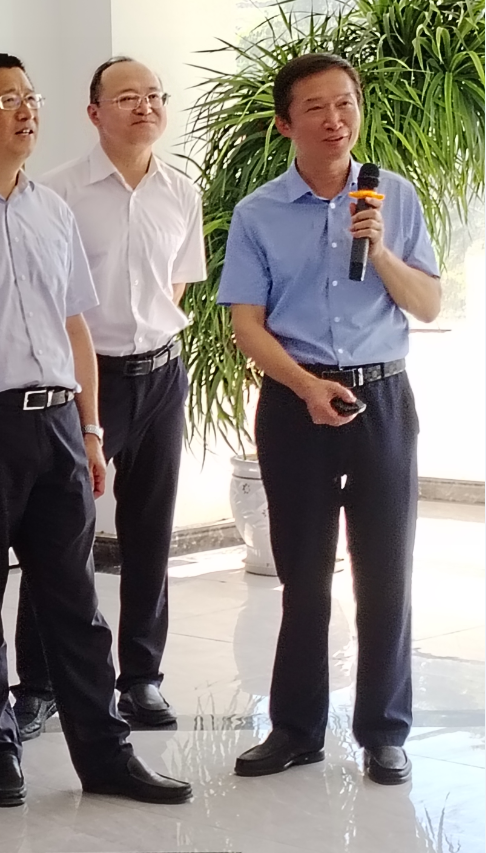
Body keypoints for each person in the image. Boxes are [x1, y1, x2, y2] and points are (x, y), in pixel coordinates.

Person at [0, 53, 192, 808]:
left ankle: (105, 755)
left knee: (75, 605)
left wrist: (90, 430)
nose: (27, 110)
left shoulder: (50, 209)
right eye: (7, 100)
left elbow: (74, 326)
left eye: (31, 96)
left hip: (56, 423)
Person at [219, 53, 441, 785]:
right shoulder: (257, 213)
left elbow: (427, 303)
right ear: (285, 123)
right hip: (294, 402)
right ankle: (295, 728)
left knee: (385, 571)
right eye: (314, 107)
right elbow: (246, 325)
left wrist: (378, 249)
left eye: (345, 103)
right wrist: (306, 385)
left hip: (382, 398)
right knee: (303, 574)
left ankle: (384, 730)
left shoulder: (393, 196)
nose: (334, 119)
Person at [11, 57, 206, 737]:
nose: (144, 106)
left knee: (150, 532)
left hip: (162, 375)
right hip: (84, 380)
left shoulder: (180, 191)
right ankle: (38, 683)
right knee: (58, 533)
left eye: (153, 95)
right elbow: (43, 298)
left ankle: (142, 678)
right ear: (94, 112)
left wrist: (147, 333)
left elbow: (176, 282)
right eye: (127, 97)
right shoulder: (56, 193)